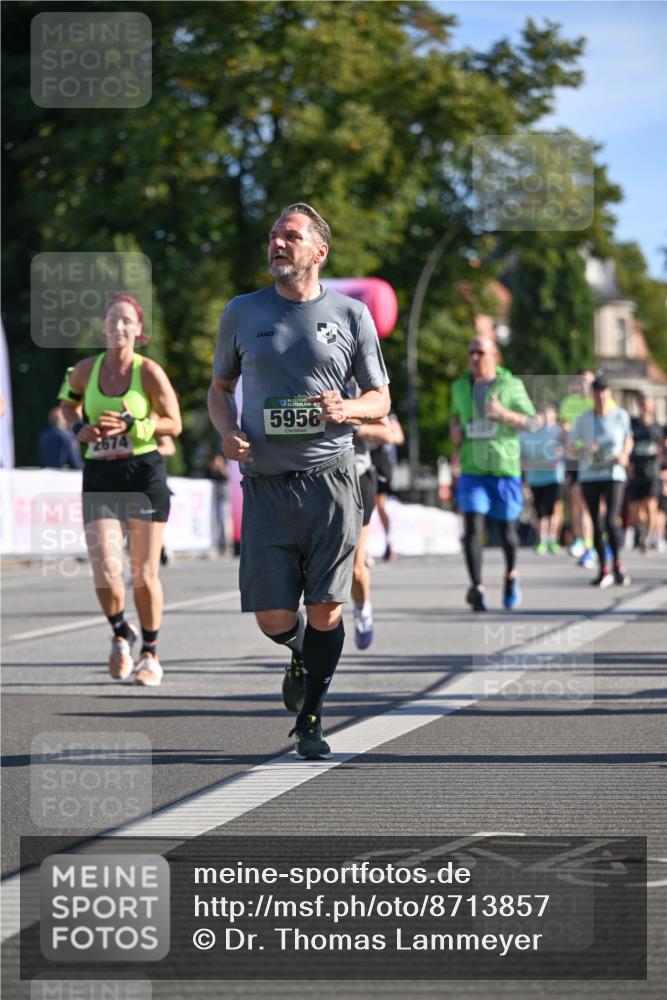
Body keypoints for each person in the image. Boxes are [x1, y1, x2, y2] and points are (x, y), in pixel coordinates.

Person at [208, 203, 390, 759]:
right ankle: (296, 651)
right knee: (274, 617)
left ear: (319, 250)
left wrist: (350, 410)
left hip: (331, 481)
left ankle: (311, 716)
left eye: (290, 236)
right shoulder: (242, 312)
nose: (278, 244)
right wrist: (226, 430)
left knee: (326, 609)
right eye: (273, 236)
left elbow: (381, 398)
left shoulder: (352, 314)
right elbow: (220, 389)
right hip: (264, 483)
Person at [58, 293, 182, 685]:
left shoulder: (149, 372)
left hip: (143, 474)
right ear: (104, 327)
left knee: (143, 574)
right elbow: (67, 406)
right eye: (113, 320)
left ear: (139, 331)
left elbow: (174, 423)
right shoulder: (84, 370)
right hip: (100, 475)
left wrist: (134, 425)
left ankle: (150, 652)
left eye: (127, 320)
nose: (119, 326)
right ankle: (119, 633)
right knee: (107, 571)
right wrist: (80, 428)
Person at [450, 334, 538, 611]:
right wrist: (454, 430)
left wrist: (503, 414)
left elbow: (532, 422)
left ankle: (511, 575)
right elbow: (455, 416)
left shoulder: (511, 385)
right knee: (472, 528)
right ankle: (477, 586)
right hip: (472, 470)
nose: (474, 358)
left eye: (480, 352)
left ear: (494, 355)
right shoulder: (459, 386)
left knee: (507, 533)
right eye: (470, 353)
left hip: (504, 469)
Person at [572, 375, 633, 587]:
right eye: (597, 391)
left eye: (604, 391)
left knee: (610, 520)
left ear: (610, 394)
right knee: (596, 523)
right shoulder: (583, 419)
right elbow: (571, 446)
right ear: (593, 394)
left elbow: (628, 439)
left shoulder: (620, 416)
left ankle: (617, 562)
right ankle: (603, 568)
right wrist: (584, 449)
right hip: (590, 475)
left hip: (614, 474)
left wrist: (625, 454)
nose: (601, 395)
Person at [351, 414, 397, 649]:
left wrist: (350, 421)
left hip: (357, 477)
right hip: (310, 478)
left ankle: (362, 609)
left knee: (355, 568)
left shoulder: (361, 384)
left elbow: (389, 434)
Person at [558, 371, 595, 565]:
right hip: (572, 458)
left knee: (587, 502)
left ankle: (591, 541)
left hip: (593, 460)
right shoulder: (568, 403)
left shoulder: (600, 402)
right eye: (582, 382)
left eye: (588, 383)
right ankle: (581, 539)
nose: (585, 386)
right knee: (574, 500)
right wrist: (568, 440)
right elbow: (563, 428)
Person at [520, 404, 566, 554]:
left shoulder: (555, 431)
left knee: (553, 509)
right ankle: (542, 539)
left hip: (554, 477)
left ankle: (552, 539)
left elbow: (566, 444)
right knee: (539, 510)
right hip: (535, 478)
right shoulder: (525, 434)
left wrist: (560, 455)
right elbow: (520, 457)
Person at [628, 394, 665, 552]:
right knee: (635, 509)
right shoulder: (632, 425)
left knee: (651, 505)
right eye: (642, 404)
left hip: (653, 470)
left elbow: (664, 449)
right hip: (635, 470)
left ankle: (649, 537)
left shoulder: (659, 427)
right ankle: (641, 529)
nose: (645, 407)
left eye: (647, 404)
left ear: (653, 407)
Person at [371, 412, 404, 560]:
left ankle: (389, 542)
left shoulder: (390, 416)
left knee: (380, 505)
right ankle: (363, 548)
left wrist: (380, 435)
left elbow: (398, 438)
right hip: (365, 459)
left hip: (382, 463)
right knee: (365, 505)